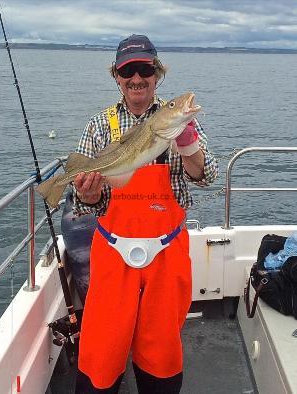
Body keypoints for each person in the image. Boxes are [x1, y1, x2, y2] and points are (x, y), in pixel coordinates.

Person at [71, 34, 219, 393]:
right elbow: (82, 205)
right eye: (128, 71)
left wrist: (188, 145)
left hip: (167, 254)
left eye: (145, 69)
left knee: (161, 349)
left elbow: (207, 176)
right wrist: (87, 195)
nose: (137, 78)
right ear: (117, 77)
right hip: (113, 253)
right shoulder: (99, 125)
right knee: (102, 351)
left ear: (157, 74)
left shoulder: (178, 120)